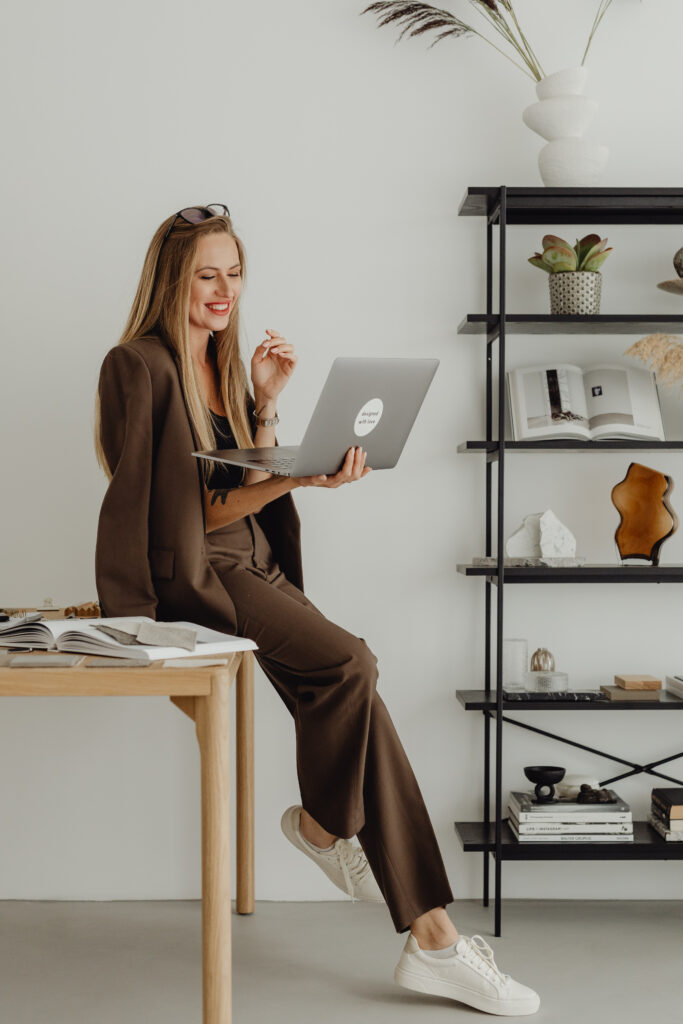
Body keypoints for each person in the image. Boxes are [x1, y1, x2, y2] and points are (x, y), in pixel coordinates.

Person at [93, 204, 540, 1016]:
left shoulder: (221, 367)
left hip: (253, 560)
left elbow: (239, 484)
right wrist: (301, 476)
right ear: (171, 280)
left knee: (353, 685)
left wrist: (266, 407)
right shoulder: (139, 366)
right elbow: (183, 517)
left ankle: (415, 919)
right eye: (206, 274)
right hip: (198, 572)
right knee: (351, 664)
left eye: (234, 273)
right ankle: (353, 856)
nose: (224, 290)